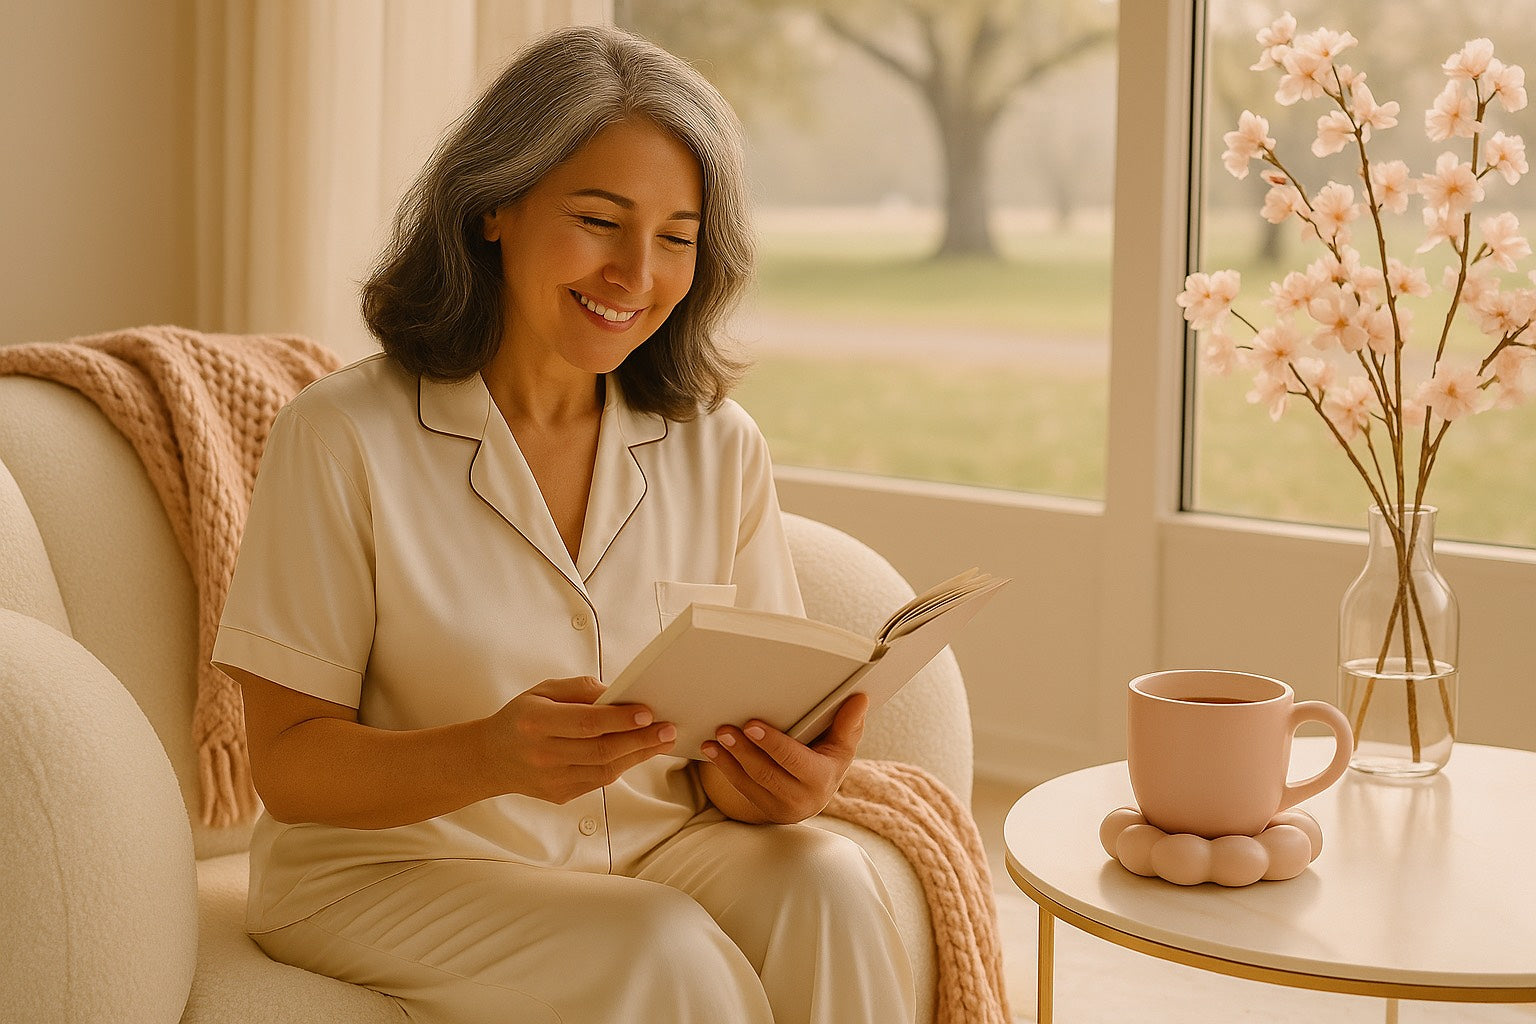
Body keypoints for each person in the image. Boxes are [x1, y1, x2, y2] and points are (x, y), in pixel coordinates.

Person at [211, 23, 916, 1024]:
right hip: (391, 868)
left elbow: (743, 735)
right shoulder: (339, 436)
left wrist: (785, 782)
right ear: (495, 204)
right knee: (659, 947)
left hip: (648, 840)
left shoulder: (719, 446)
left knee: (829, 881)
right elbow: (286, 763)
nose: (637, 273)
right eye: (599, 219)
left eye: (677, 237)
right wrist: (487, 756)